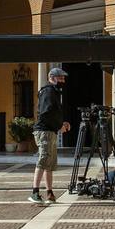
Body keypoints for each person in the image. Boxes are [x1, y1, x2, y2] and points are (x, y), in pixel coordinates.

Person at [29, 67, 69, 205]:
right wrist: (59, 126)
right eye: (60, 78)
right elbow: (46, 113)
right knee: (43, 159)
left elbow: (53, 113)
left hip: (50, 131)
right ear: (52, 77)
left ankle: (49, 193)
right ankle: (34, 192)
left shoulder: (54, 92)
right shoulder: (48, 91)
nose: (63, 80)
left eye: (64, 78)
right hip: (44, 131)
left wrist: (61, 123)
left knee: (50, 164)